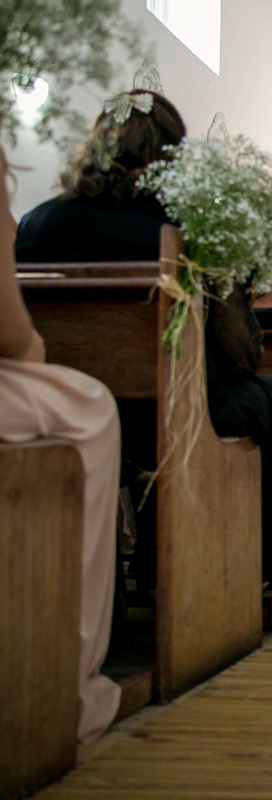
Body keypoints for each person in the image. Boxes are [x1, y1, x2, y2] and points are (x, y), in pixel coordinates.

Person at [16, 92, 272, 585]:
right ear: (172, 155)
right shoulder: (187, 226)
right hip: (175, 415)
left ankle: (150, 560)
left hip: (63, 411)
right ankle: (256, 573)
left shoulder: (38, 223)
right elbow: (239, 352)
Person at [1, 145, 123, 743]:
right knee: (92, 411)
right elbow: (16, 337)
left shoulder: (41, 220)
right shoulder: (163, 226)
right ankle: (68, 675)